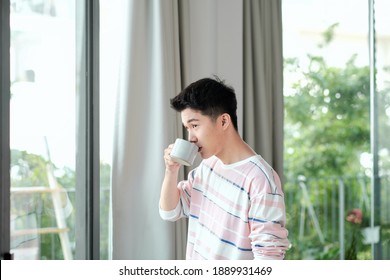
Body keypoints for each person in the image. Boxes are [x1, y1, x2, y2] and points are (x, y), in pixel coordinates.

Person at [159, 76, 290, 260]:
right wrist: (170, 171)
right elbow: (169, 211)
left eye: (194, 125)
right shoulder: (208, 166)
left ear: (223, 121)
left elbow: (268, 259)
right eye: (187, 128)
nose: (191, 137)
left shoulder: (260, 179)